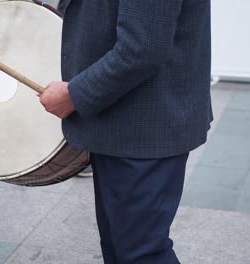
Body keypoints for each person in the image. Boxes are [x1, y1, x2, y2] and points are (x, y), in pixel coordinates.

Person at [39, 1, 212, 263]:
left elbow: (142, 48)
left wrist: (75, 95)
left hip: (145, 125)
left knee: (140, 253)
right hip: (122, 119)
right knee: (120, 247)